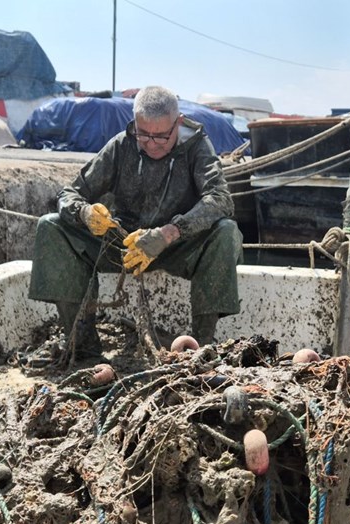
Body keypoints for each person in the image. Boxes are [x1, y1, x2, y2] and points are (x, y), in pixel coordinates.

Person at [28, 85, 242, 355]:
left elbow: (221, 199)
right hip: (123, 246)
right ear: (134, 123)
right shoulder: (121, 145)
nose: (151, 143)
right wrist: (84, 212)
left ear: (177, 124)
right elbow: (70, 193)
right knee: (50, 225)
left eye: (161, 137)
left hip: (176, 246)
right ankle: (81, 342)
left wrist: (168, 234)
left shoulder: (197, 147)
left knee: (225, 232)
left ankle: (201, 345)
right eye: (144, 135)